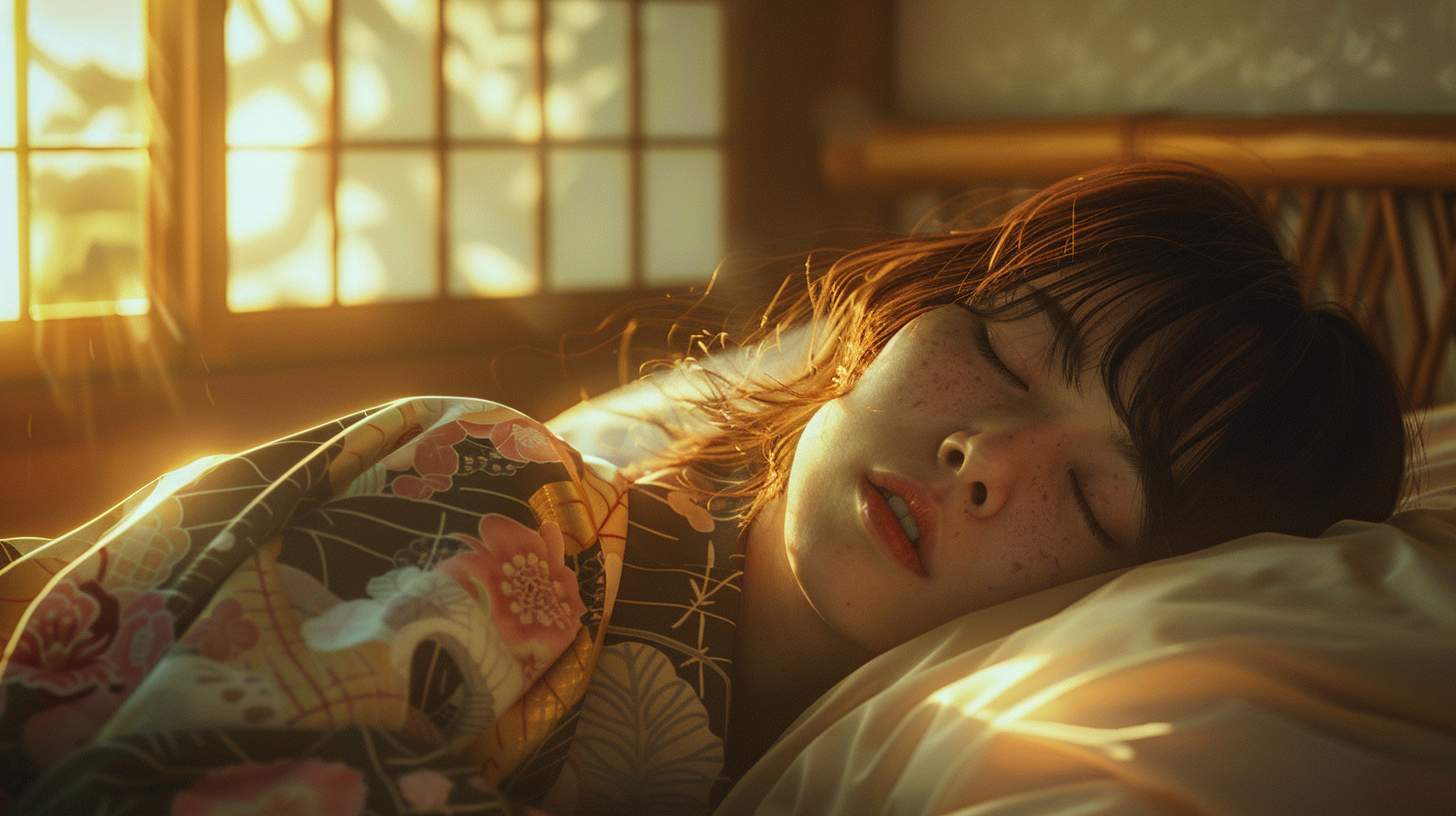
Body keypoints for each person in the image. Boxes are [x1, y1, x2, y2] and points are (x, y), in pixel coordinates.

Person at [0, 161, 1410, 815]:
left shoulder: (797, 758)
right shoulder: (518, 494)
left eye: (1096, 498)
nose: (989, 457)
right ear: (898, 317)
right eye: (999, 351)